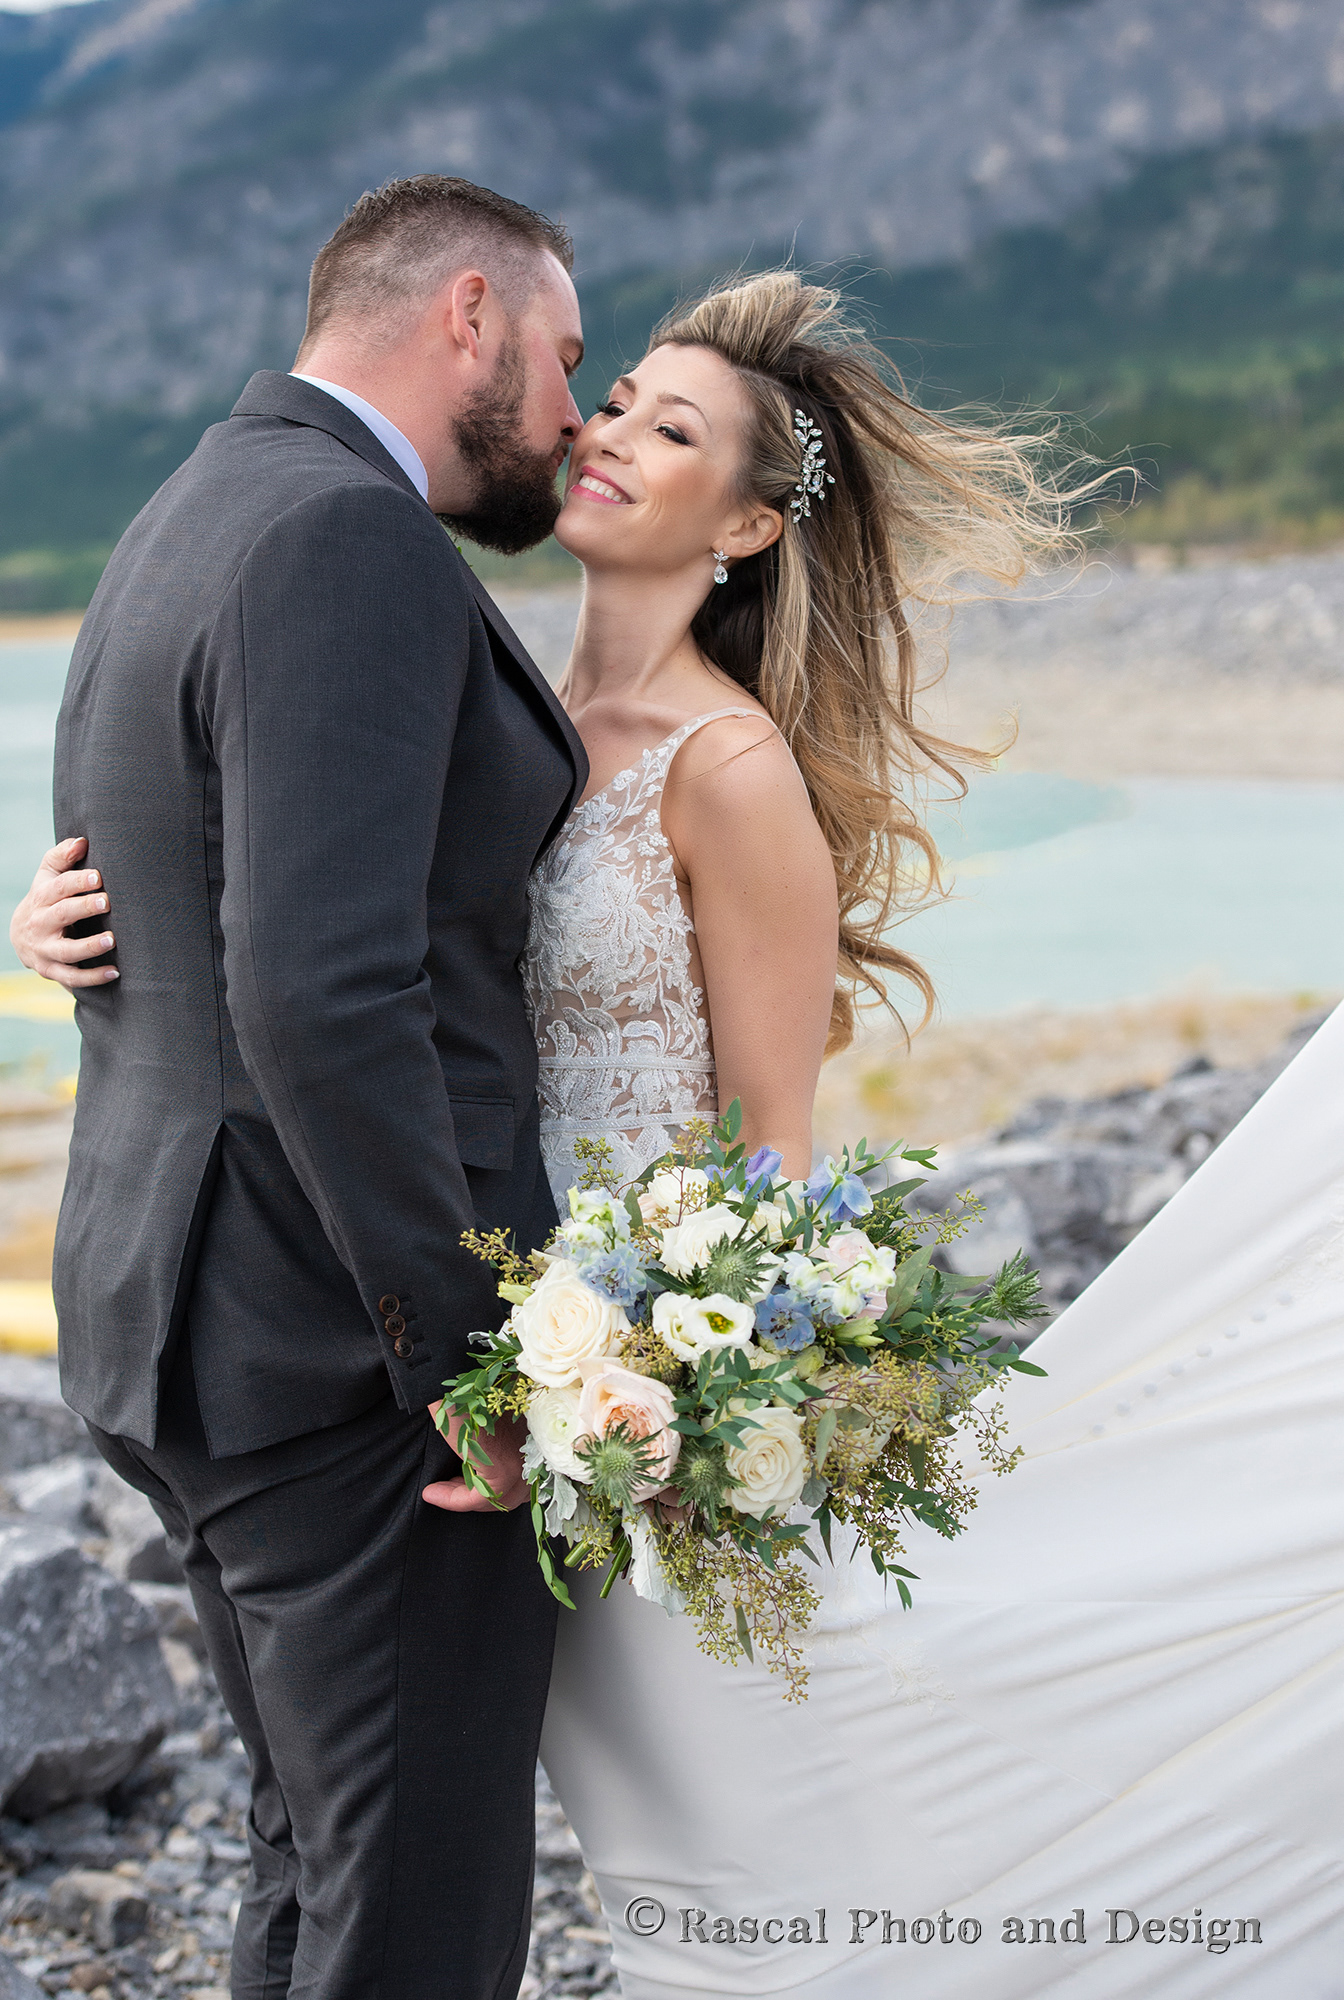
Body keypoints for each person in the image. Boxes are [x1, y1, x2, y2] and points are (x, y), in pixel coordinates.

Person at [21, 270, 1342, 1995]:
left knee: (702, 1815)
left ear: (745, 529)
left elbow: (771, 1146)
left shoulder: (730, 771)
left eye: (670, 428)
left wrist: (668, 1388)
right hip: (471, 1346)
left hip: (611, 1381)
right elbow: (309, 904)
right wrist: (74, 927)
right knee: (385, 1849)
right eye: (618, 392)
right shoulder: (498, 700)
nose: (604, 430)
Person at [11, 175, 593, 2000]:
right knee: (411, 1918)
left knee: (315, 1865)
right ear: (471, 316)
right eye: (572, 361)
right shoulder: (347, 538)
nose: (576, 418)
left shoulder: (189, 508)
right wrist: (467, 1369)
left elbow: (146, 873)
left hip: (188, 1317)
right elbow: (326, 994)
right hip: (339, 1362)